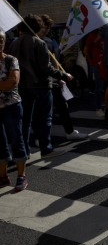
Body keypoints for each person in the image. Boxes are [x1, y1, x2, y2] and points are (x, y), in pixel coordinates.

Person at [8, 15, 73, 158]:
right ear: (37, 27)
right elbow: (46, 68)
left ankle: (24, 151)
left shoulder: (13, 44)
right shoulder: (39, 43)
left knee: (25, 121)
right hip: (41, 86)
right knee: (44, 119)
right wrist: (64, 75)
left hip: (22, 87)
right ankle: (46, 149)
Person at [38, 15, 88, 141]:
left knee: (63, 106)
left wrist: (59, 77)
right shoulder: (34, 42)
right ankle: (39, 138)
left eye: (48, 27)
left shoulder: (48, 41)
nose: (46, 30)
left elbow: (54, 60)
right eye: (44, 27)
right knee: (42, 111)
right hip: (39, 81)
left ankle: (70, 131)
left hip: (53, 80)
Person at [0, 29, 29, 191]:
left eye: (1, 40)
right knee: (0, 142)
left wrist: (6, 83)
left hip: (11, 106)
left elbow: (12, 83)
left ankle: (21, 176)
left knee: (16, 139)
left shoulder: (11, 60)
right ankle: (3, 177)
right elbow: (6, 83)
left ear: (5, 42)